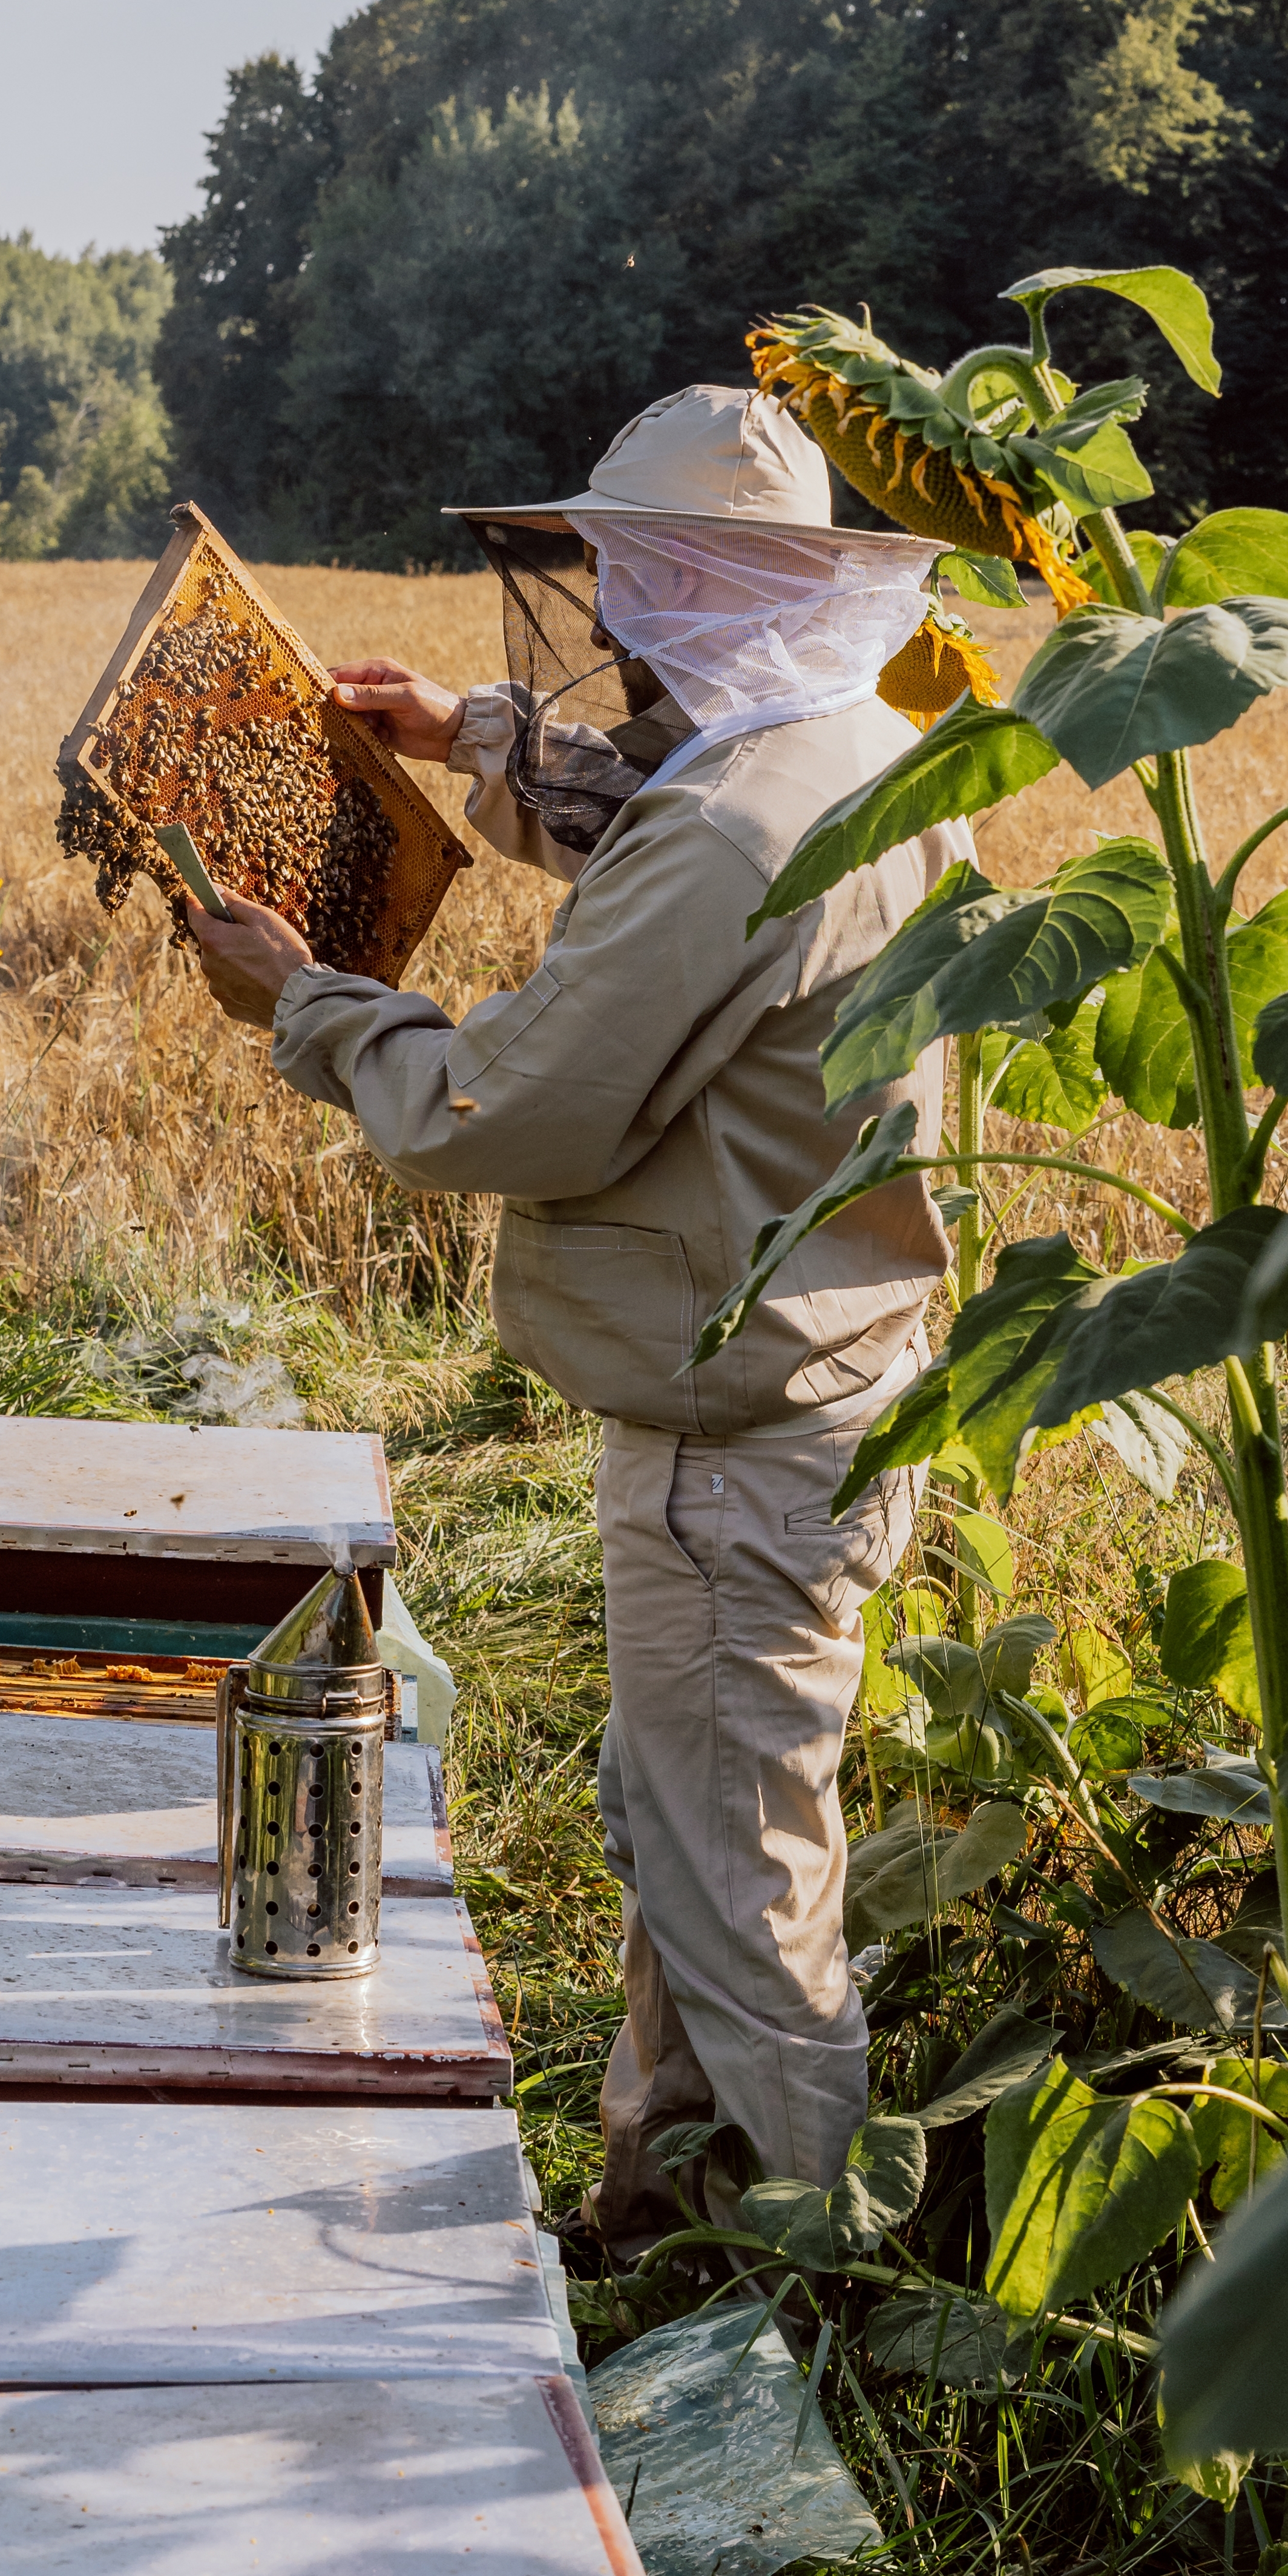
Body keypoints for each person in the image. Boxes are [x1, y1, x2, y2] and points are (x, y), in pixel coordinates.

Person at [179, 381, 965, 2245]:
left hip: (735, 1451)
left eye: (630, 576)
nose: (608, 614)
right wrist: (468, 732)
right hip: (825, 1394)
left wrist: (307, 1003)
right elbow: (671, 814)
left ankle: (819, 2290)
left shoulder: (732, 830)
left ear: (684, 583)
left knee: (738, 1894)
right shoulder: (861, 751)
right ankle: (666, 2216)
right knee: (693, 1837)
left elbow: (502, 1104)